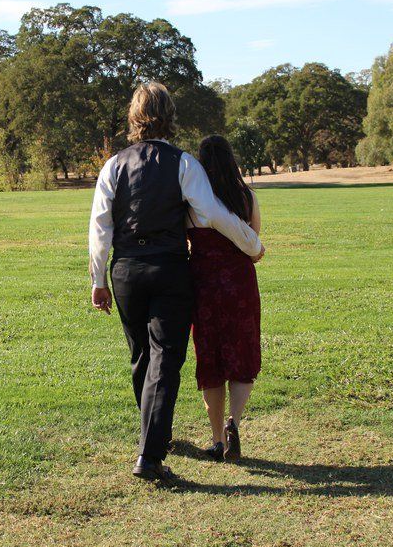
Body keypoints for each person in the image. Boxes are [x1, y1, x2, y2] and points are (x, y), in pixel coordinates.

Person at [88, 82, 264, 481]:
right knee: (166, 358)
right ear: (169, 115)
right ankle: (150, 455)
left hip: (126, 269)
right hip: (169, 267)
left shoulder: (113, 165)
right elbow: (214, 214)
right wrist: (252, 243)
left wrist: (98, 279)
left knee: (141, 357)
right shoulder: (184, 164)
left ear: (133, 118)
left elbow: (100, 226)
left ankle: (156, 438)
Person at [187, 136, 262, 461]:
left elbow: (185, 243)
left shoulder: (192, 201)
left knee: (211, 359)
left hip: (203, 283)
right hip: (240, 283)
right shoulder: (246, 197)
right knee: (241, 356)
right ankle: (235, 422)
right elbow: (255, 240)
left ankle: (217, 439)